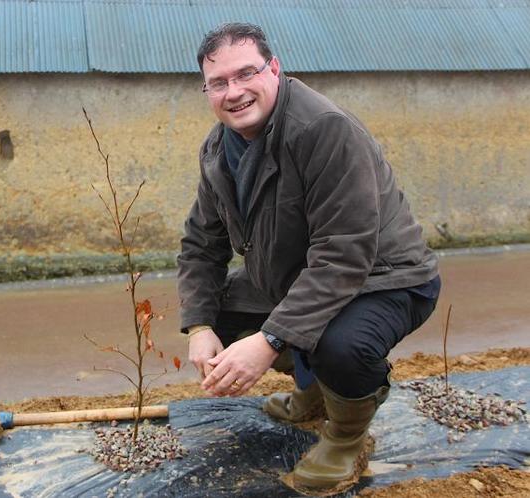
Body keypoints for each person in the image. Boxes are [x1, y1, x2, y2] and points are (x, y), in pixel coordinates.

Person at [177, 22, 440, 490]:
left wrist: (270, 339)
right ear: (207, 90)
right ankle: (314, 395)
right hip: (299, 278)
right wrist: (199, 327)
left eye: (245, 74)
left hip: (385, 279)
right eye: (218, 83)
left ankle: (345, 439)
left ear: (274, 69)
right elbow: (201, 243)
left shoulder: (324, 130)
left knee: (342, 345)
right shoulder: (218, 149)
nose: (233, 92)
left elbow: (343, 255)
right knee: (216, 313)